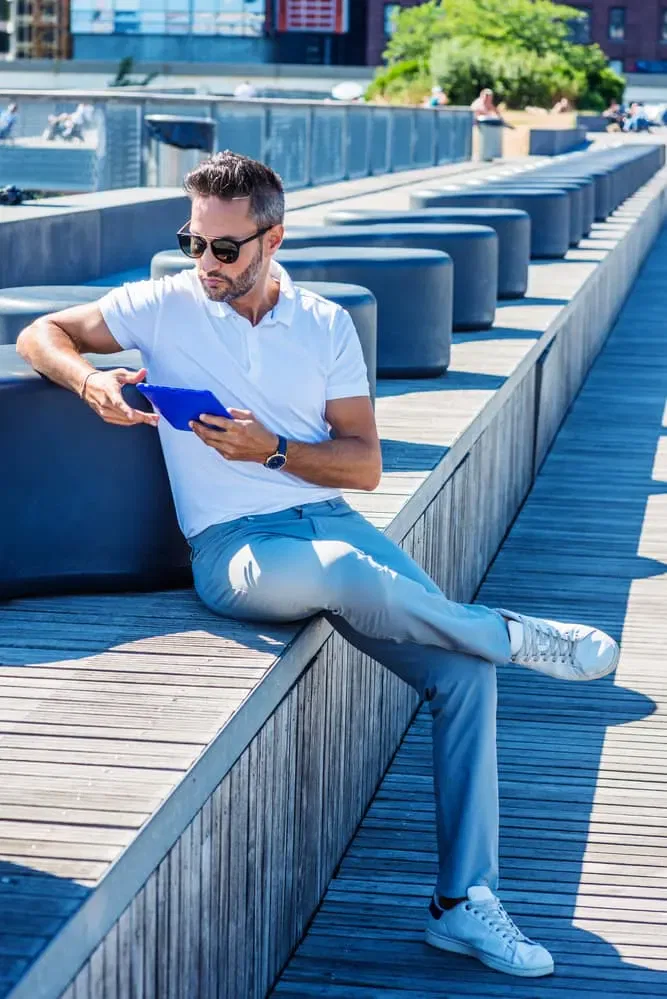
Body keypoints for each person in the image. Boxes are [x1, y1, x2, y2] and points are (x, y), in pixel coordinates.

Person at [16, 151, 620, 981]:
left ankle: (461, 902)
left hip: (324, 515)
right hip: (234, 550)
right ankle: (509, 631)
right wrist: (91, 383)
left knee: (463, 675)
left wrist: (273, 452)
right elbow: (37, 333)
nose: (205, 263)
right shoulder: (162, 304)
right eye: (193, 241)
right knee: (356, 577)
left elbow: (363, 466)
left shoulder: (324, 324)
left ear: (272, 239)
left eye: (224, 249)